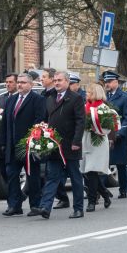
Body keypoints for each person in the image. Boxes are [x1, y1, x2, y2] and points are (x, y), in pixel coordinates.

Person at [34, 71, 85, 219]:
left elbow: (80, 122)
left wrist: (76, 142)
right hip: (54, 145)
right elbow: (46, 119)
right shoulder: (50, 99)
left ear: (67, 82)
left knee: (75, 177)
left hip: (70, 144)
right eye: (55, 80)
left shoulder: (75, 98)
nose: (56, 83)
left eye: (59, 80)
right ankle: (45, 207)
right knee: (52, 177)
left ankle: (78, 208)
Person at [0, 72, 47, 216]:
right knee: (12, 175)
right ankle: (15, 205)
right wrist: (3, 142)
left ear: (31, 85)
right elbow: (5, 123)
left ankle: (35, 205)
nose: (19, 84)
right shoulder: (11, 100)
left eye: (23, 82)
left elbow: (39, 120)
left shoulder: (37, 99)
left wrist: (33, 141)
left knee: (33, 176)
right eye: (18, 82)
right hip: (12, 146)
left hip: (29, 145)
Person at [80, 83, 113, 212]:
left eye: (89, 92)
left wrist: (96, 128)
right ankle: (105, 194)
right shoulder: (84, 107)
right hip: (86, 140)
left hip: (98, 142)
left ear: (95, 93)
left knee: (92, 171)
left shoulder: (103, 108)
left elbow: (107, 128)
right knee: (87, 173)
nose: (86, 94)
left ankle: (92, 201)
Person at [103, 70, 127, 198]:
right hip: (105, 134)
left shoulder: (125, 97)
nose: (107, 84)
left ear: (116, 82)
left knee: (121, 163)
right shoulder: (105, 96)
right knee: (104, 163)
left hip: (119, 134)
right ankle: (102, 190)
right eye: (106, 82)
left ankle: (123, 189)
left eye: (109, 82)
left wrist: (120, 132)